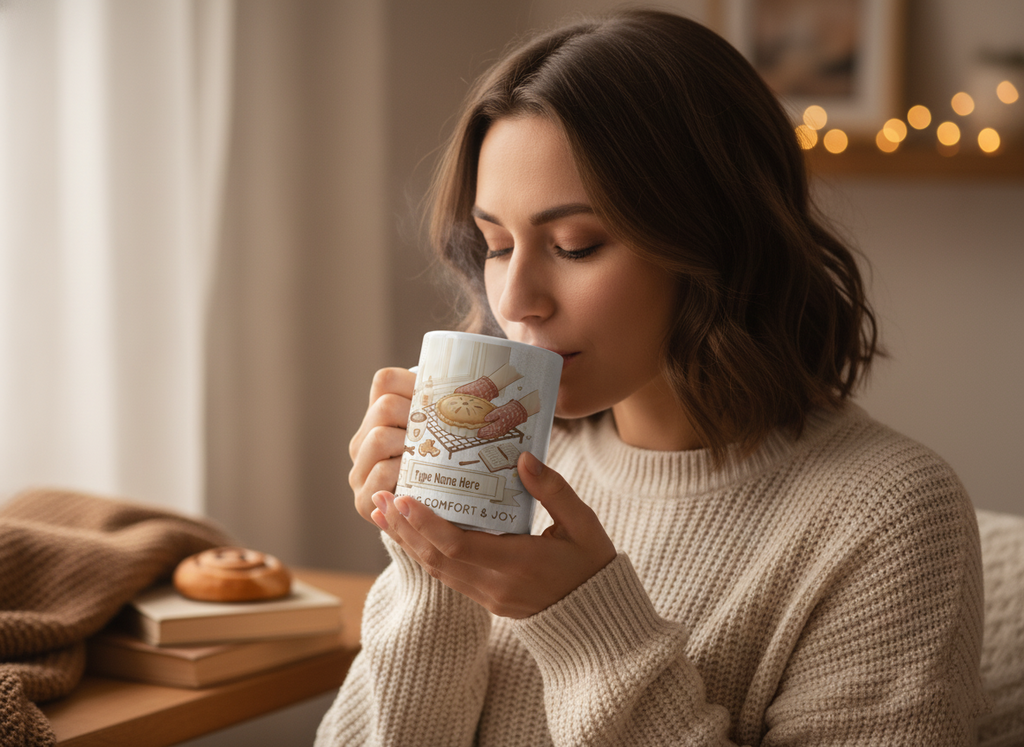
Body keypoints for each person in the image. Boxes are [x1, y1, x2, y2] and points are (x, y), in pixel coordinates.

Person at [317, 9, 985, 746]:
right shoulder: (510, 466)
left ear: (713, 240)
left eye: (575, 245)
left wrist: (591, 625)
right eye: (498, 244)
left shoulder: (887, 517)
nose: (514, 301)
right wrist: (432, 569)